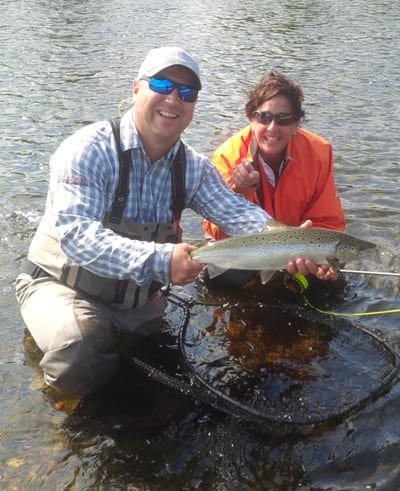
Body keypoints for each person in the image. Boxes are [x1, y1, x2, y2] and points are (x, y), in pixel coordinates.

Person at [16, 47, 335, 397]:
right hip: (62, 286)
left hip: (136, 303)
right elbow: (77, 236)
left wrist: (290, 243)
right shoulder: (88, 149)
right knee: (81, 349)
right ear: (136, 88)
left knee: (166, 384)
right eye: (163, 84)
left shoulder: (193, 168)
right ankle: (62, 416)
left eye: (186, 93)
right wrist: (163, 260)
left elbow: (237, 213)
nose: (173, 99)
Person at [203, 70, 345, 287]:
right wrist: (239, 193)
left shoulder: (319, 153)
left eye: (283, 119)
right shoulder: (227, 156)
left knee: (331, 281)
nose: (272, 127)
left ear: (297, 122)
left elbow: (330, 222)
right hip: (240, 247)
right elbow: (218, 233)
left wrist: (316, 253)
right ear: (251, 118)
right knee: (225, 279)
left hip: (297, 249)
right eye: (264, 117)